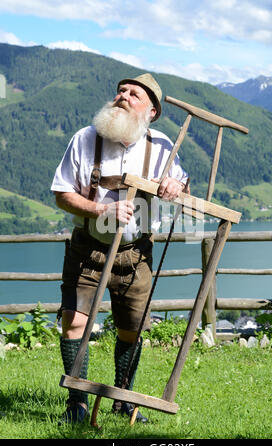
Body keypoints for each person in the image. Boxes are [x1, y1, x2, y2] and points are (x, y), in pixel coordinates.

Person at [51, 73, 188, 424]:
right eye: (121, 90)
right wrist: (101, 209)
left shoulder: (161, 146)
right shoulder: (85, 138)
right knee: (75, 323)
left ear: (152, 111)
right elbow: (62, 192)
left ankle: (123, 399)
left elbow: (181, 184)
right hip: (89, 249)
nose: (122, 96)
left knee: (131, 328)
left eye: (134, 94)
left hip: (136, 254)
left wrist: (175, 184)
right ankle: (77, 403)